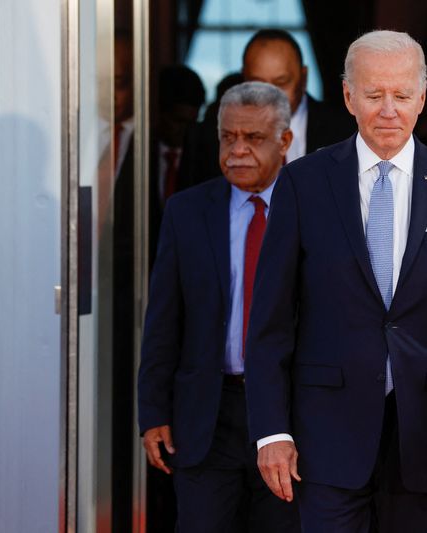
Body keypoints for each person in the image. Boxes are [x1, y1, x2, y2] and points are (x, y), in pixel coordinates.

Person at [244, 30, 427, 533]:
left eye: (402, 95)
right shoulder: (303, 183)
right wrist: (271, 431)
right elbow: (270, 323)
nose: (388, 109)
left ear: (423, 98)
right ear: (348, 96)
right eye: (374, 95)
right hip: (323, 436)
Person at [138, 81, 301, 533]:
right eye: (228, 138)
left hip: (288, 416)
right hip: (206, 415)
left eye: (253, 139)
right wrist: (153, 411)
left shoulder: (313, 208)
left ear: (284, 142)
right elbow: (164, 320)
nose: (238, 151)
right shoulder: (186, 211)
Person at [178, 29, 354, 188]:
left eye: (281, 83)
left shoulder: (347, 132)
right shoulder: (207, 138)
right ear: (244, 79)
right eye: (258, 85)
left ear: (304, 78)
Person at [149, 64, 206, 266]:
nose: (184, 131)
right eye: (177, 121)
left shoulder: (205, 157)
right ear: (158, 113)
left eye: (191, 123)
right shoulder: (137, 154)